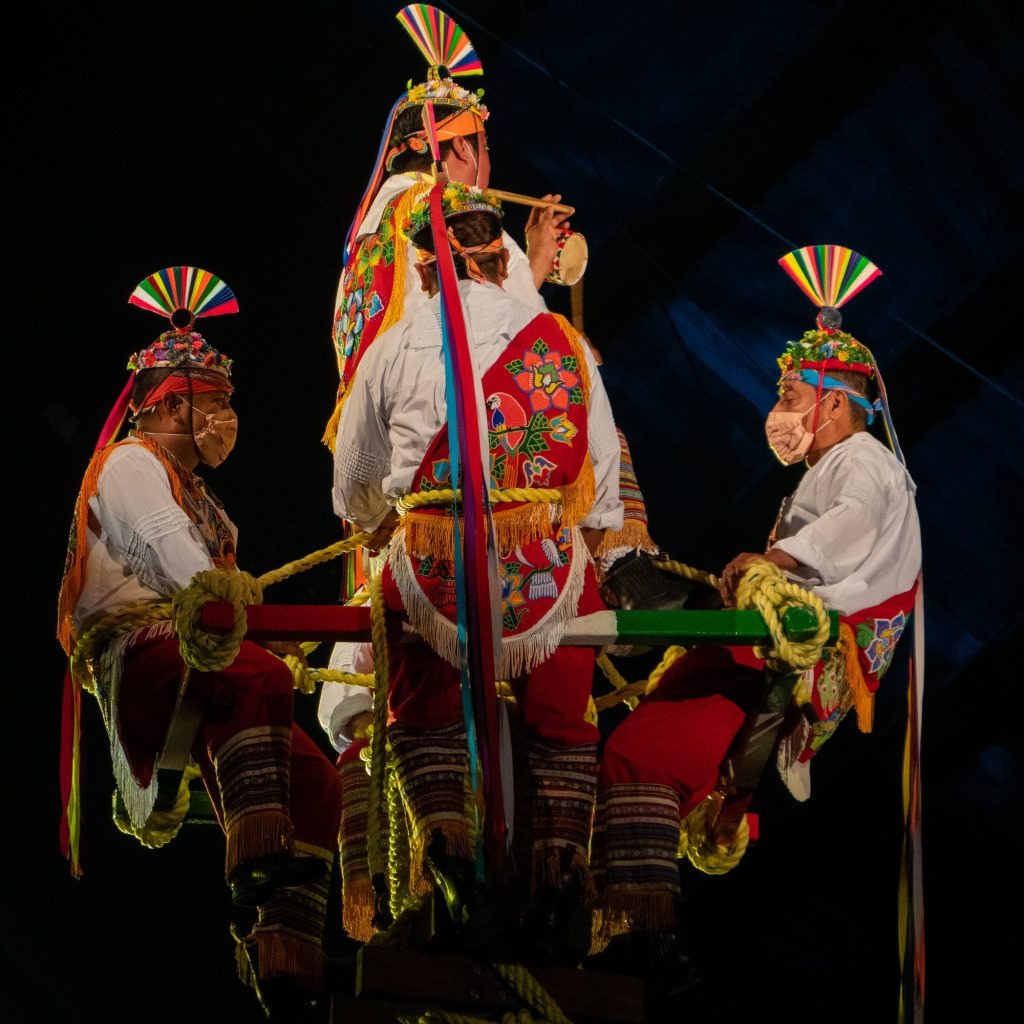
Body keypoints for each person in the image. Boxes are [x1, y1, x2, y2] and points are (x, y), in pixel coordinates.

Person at [586, 247, 922, 1001]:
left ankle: (645, 935)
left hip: (787, 647)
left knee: (641, 752)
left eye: (792, 392)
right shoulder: (833, 469)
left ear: (833, 403)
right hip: (772, 637)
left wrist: (776, 561)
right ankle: (633, 923)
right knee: (641, 746)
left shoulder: (864, 462)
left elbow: (850, 526)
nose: (780, 406)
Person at [331, 183, 623, 964]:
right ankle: (556, 879)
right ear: (501, 260)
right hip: (544, 566)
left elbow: (353, 490)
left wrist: (384, 519)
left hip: (432, 564)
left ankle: (454, 872)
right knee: (563, 709)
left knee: (417, 698)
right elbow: (600, 480)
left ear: (428, 269)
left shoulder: (391, 347)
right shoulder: (561, 343)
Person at [55, 270, 344, 1021]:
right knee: (258, 677)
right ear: (171, 405)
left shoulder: (208, 503)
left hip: (197, 655)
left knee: (320, 784)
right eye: (215, 402)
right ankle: (255, 861)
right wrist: (242, 622)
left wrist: (267, 638)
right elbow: (175, 563)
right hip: (141, 655)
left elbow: (215, 593)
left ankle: (284, 954)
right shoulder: (129, 463)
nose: (226, 417)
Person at [322, 31, 570, 456]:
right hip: (448, 438)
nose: (488, 164)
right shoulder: (450, 209)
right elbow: (519, 331)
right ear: (460, 146)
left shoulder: (371, 229)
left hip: (376, 444)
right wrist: (535, 262)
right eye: (484, 148)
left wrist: (533, 261)